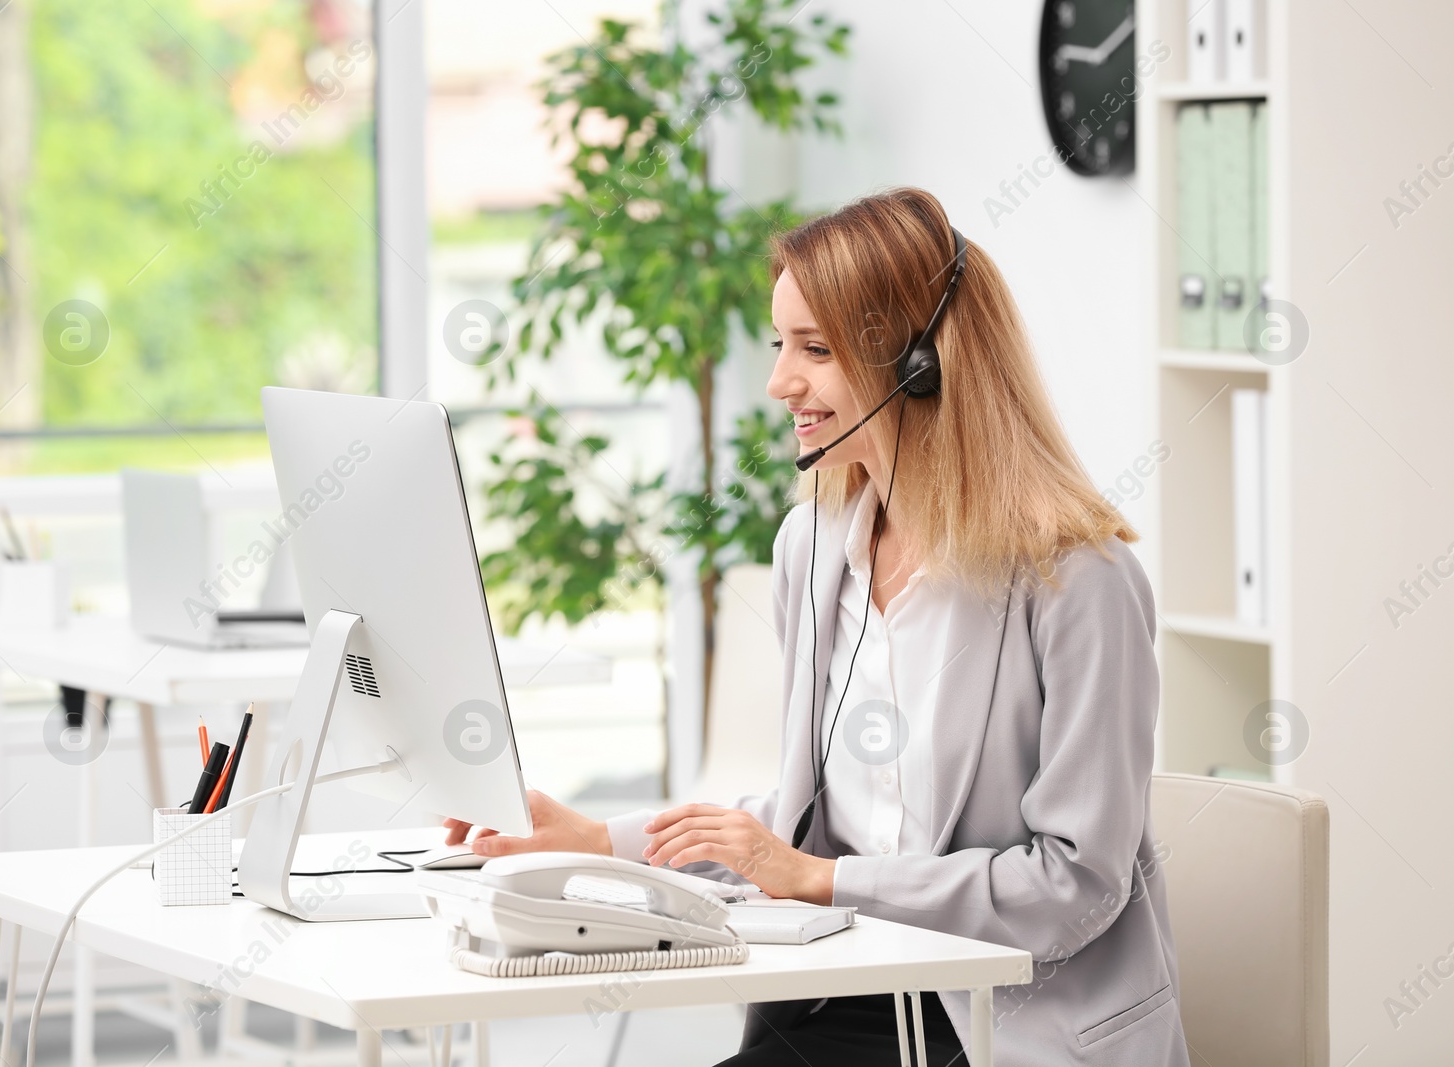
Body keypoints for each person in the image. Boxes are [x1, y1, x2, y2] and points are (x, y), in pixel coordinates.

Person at [443, 187, 1191, 1067]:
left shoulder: (1078, 580)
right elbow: (802, 823)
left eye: (816, 348)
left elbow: (1073, 886)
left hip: (1011, 1020)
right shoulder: (814, 546)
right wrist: (599, 842)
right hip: (850, 993)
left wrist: (825, 881)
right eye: (779, 343)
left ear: (920, 362)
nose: (779, 382)